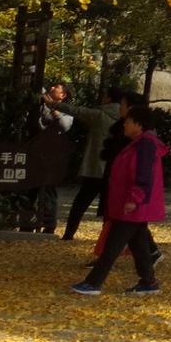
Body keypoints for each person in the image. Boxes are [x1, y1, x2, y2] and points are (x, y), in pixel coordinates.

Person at [71, 105, 165, 295]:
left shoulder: (145, 144)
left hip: (133, 205)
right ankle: (148, 282)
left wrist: (135, 198)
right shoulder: (140, 142)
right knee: (138, 245)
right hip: (132, 204)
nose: (124, 125)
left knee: (113, 246)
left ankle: (93, 283)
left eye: (128, 121)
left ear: (137, 124)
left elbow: (144, 175)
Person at [53, 85, 122, 241]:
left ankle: (68, 235)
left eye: (105, 95)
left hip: (96, 168)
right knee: (109, 208)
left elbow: (77, 111)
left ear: (109, 98)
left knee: (80, 203)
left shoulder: (99, 115)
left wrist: (54, 104)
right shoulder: (125, 118)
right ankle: (108, 240)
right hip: (114, 170)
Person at [22, 82, 75, 233]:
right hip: (34, 151)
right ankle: (27, 223)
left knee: (49, 190)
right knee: (30, 188)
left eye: (56, 88)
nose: (51, 88)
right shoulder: (39, 104)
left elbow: (64, 126)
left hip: (52, 155)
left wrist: (52, 108)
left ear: (63, 95)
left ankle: (49, 224)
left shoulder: (66, 111)